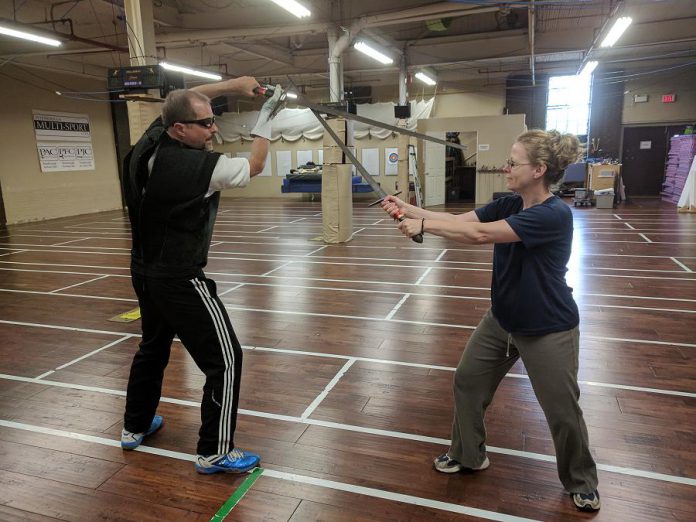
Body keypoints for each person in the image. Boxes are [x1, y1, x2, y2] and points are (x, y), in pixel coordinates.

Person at [381, 129, 601, 512]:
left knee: (562, 410)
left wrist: (423, 227)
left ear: (539, 170)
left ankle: (581, 481)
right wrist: (408, 208)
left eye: (513, 162)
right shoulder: (507, 203)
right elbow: (458, 220)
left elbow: (481, 236)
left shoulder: (553, 215)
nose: (505, 167)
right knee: (467, 381)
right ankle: (469, 455)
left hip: (548, 327)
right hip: (502, 320)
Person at [120, 77, 283, 474]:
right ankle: (215, 450)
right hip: (178, 275)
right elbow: (256, 164)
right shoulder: (196, 166)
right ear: (179, 129)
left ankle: (134, 426)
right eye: (206, 124)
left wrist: (233, 86)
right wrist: (267, 115)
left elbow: (181, 100)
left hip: (144, 269)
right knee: (226, 359)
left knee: (152, 348)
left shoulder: (147, 144)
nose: (213, 130)